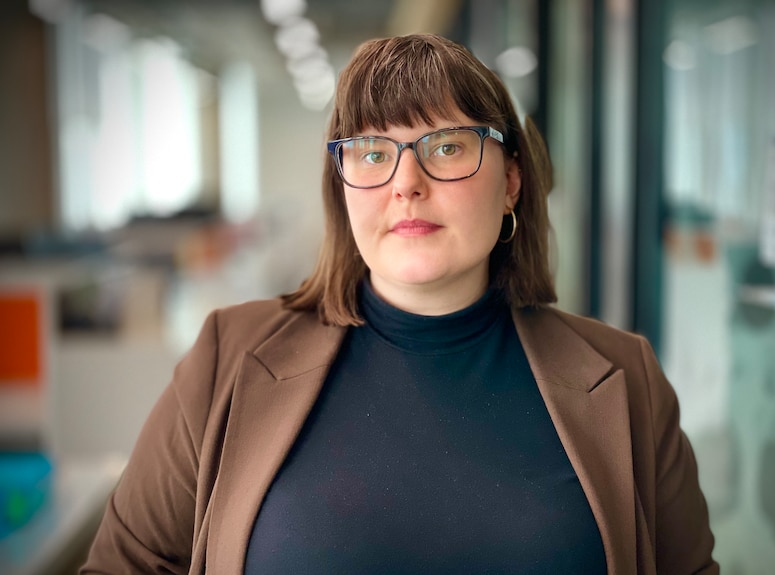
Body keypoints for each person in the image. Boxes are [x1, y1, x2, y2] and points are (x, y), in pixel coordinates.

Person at [81, 33, 717, 574]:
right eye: (372, 152)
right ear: (343, 183)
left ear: (512, 181)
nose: (406, 184)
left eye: (446, 147)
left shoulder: (624, 377)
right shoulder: (228, 357)